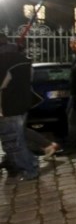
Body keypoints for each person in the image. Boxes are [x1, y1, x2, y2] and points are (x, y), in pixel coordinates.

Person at [0, 37, 38, 180]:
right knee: (19, 139)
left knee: (13, 142)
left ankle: (30, 169)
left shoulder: (4, 61)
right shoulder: (23, 58)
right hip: (22, 103)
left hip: (8, 106)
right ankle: (31, 164)